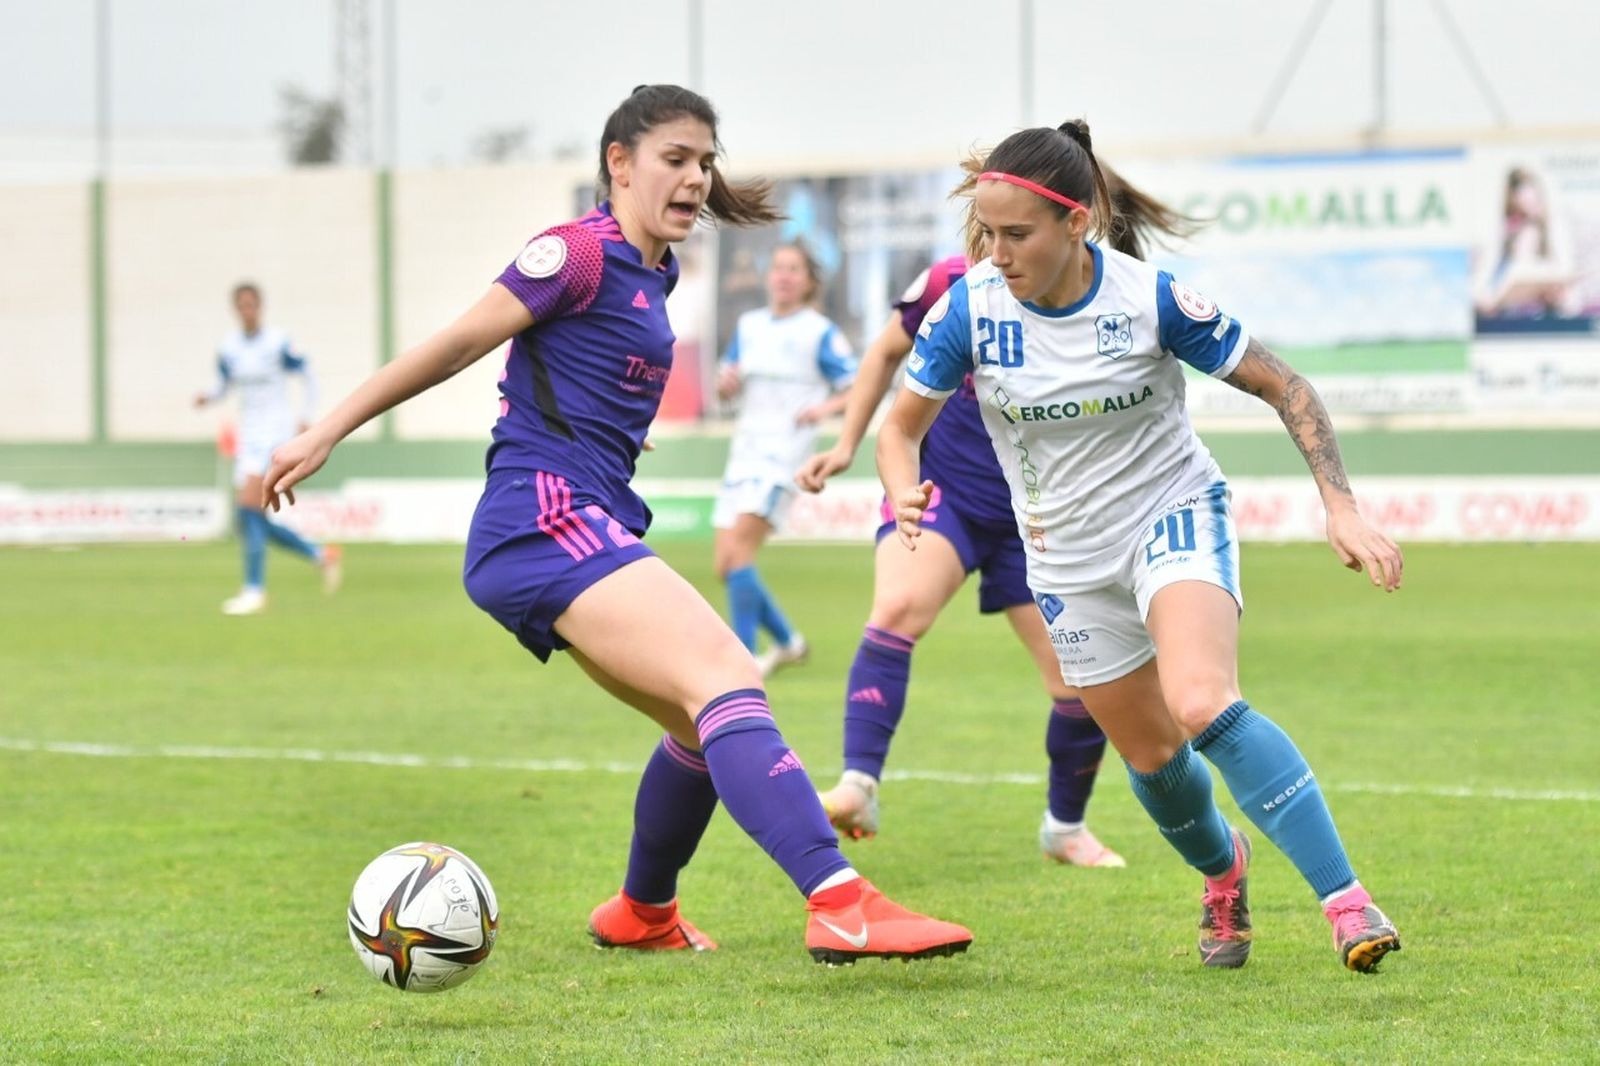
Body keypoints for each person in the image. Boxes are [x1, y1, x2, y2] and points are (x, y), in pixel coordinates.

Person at [262, 85, 971, 966]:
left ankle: (642, 911)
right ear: (619, 163)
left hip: (572, 520)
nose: (695, 178)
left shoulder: (656, 270)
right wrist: (329, 427)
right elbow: (455, 344)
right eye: (675, 158)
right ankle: (839, 900)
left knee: (699, 723)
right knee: (724, 673)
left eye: (705, 161)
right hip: (540, 515)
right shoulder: (577, 254)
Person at [878, 119, 1403, 973]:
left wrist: (1341, 509)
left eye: (1017, 234)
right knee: (1155, 759)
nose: (997, 253)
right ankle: (1224, 872)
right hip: (1065, 558)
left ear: (1076, 221)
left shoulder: (1149, 300)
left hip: (1173, 513)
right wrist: (902, 483)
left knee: (1202, 701)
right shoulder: (969, 309)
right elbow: (899, 428)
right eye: (987, 233)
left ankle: (1345, 901)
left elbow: (1285, 384)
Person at [799, 248, 1139, 867]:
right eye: (988, 224)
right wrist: (847, 444)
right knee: (898, 606)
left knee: (1077, 682)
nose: (1000, 243)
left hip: (1038, 512)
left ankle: (1065, 828)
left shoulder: (1104, 293)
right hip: (942, 488)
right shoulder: (949, 280)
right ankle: (858, 786)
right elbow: (883, 353)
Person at [715, 240, 856, 677]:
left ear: (809, 281)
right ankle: (789, 643)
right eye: (777, 268)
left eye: (794, 269)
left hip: (782, 461)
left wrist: (824, 409)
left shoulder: (819, 332)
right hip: (743, 455)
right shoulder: (750, 325)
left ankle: (743, 661)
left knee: (739, 555)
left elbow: (858, 387)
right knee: (725, 564)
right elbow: (726, 387)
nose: (783, 276)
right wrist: (727, 387)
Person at [193, 282, 342, 615]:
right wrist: (208, 397)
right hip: (249, 435)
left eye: (252, 304)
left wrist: (305, 417)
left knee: (248, 510)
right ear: (236, 309)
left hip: (276, 433)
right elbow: (224, 385)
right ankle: (320, 556)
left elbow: (308, 375)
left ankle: (254, 590)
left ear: (259, 306)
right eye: (241, 305)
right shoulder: (229, 348)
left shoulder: (277, 342)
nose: (247, 310)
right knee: (251, 514)